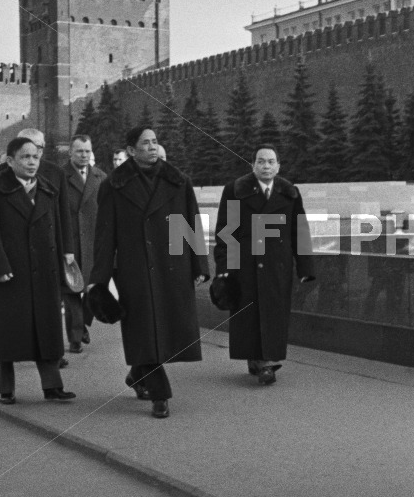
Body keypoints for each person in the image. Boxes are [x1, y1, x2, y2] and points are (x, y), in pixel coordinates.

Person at [90, 127, 209, 418]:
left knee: (162, 327)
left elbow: (191, 223)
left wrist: (199, 264)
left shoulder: (178, 181)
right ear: (131, 150)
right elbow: (105, 235)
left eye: (155, 142)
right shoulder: (113, 186)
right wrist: (99, 280)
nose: (152, 147)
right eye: (145, 143)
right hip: (134, 268)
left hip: (172, 264)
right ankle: (160, 393)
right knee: (143, 326)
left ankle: (137, 374)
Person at [0, 137, 76, 404]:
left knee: (47, 328)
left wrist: (65, 256)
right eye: (25, 157)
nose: (33, 162)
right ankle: (6, 388)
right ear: (10, 161)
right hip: (11, 271)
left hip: (44, 270)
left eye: (35, 157)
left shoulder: (47, 189)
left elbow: (59, 225)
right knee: (8, 332)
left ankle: (52, 386)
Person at [213, 144, 315, 386]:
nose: (266, 166)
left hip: (277, 266)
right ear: (253, 165)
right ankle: (259, 360)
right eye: (261, 161)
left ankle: (266, 361)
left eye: (271, 162)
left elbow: (299, 230)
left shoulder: (289, 192)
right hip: (245, 265)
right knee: (250, 314)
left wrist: (305, 269)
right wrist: (225, 266)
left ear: (278, 166)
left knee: (274, 315)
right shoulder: (235, 190)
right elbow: (227, 232)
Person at [62, 134, 105, 354]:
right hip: (69, 244)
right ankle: (75, 338)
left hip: (93, 245)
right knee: (71, 294)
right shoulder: (60, 176)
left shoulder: (100, 177)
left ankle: (83, 325)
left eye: (87, 151)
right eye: (79, 151)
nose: (84, 155)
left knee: (91, 290)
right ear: (70, 152)